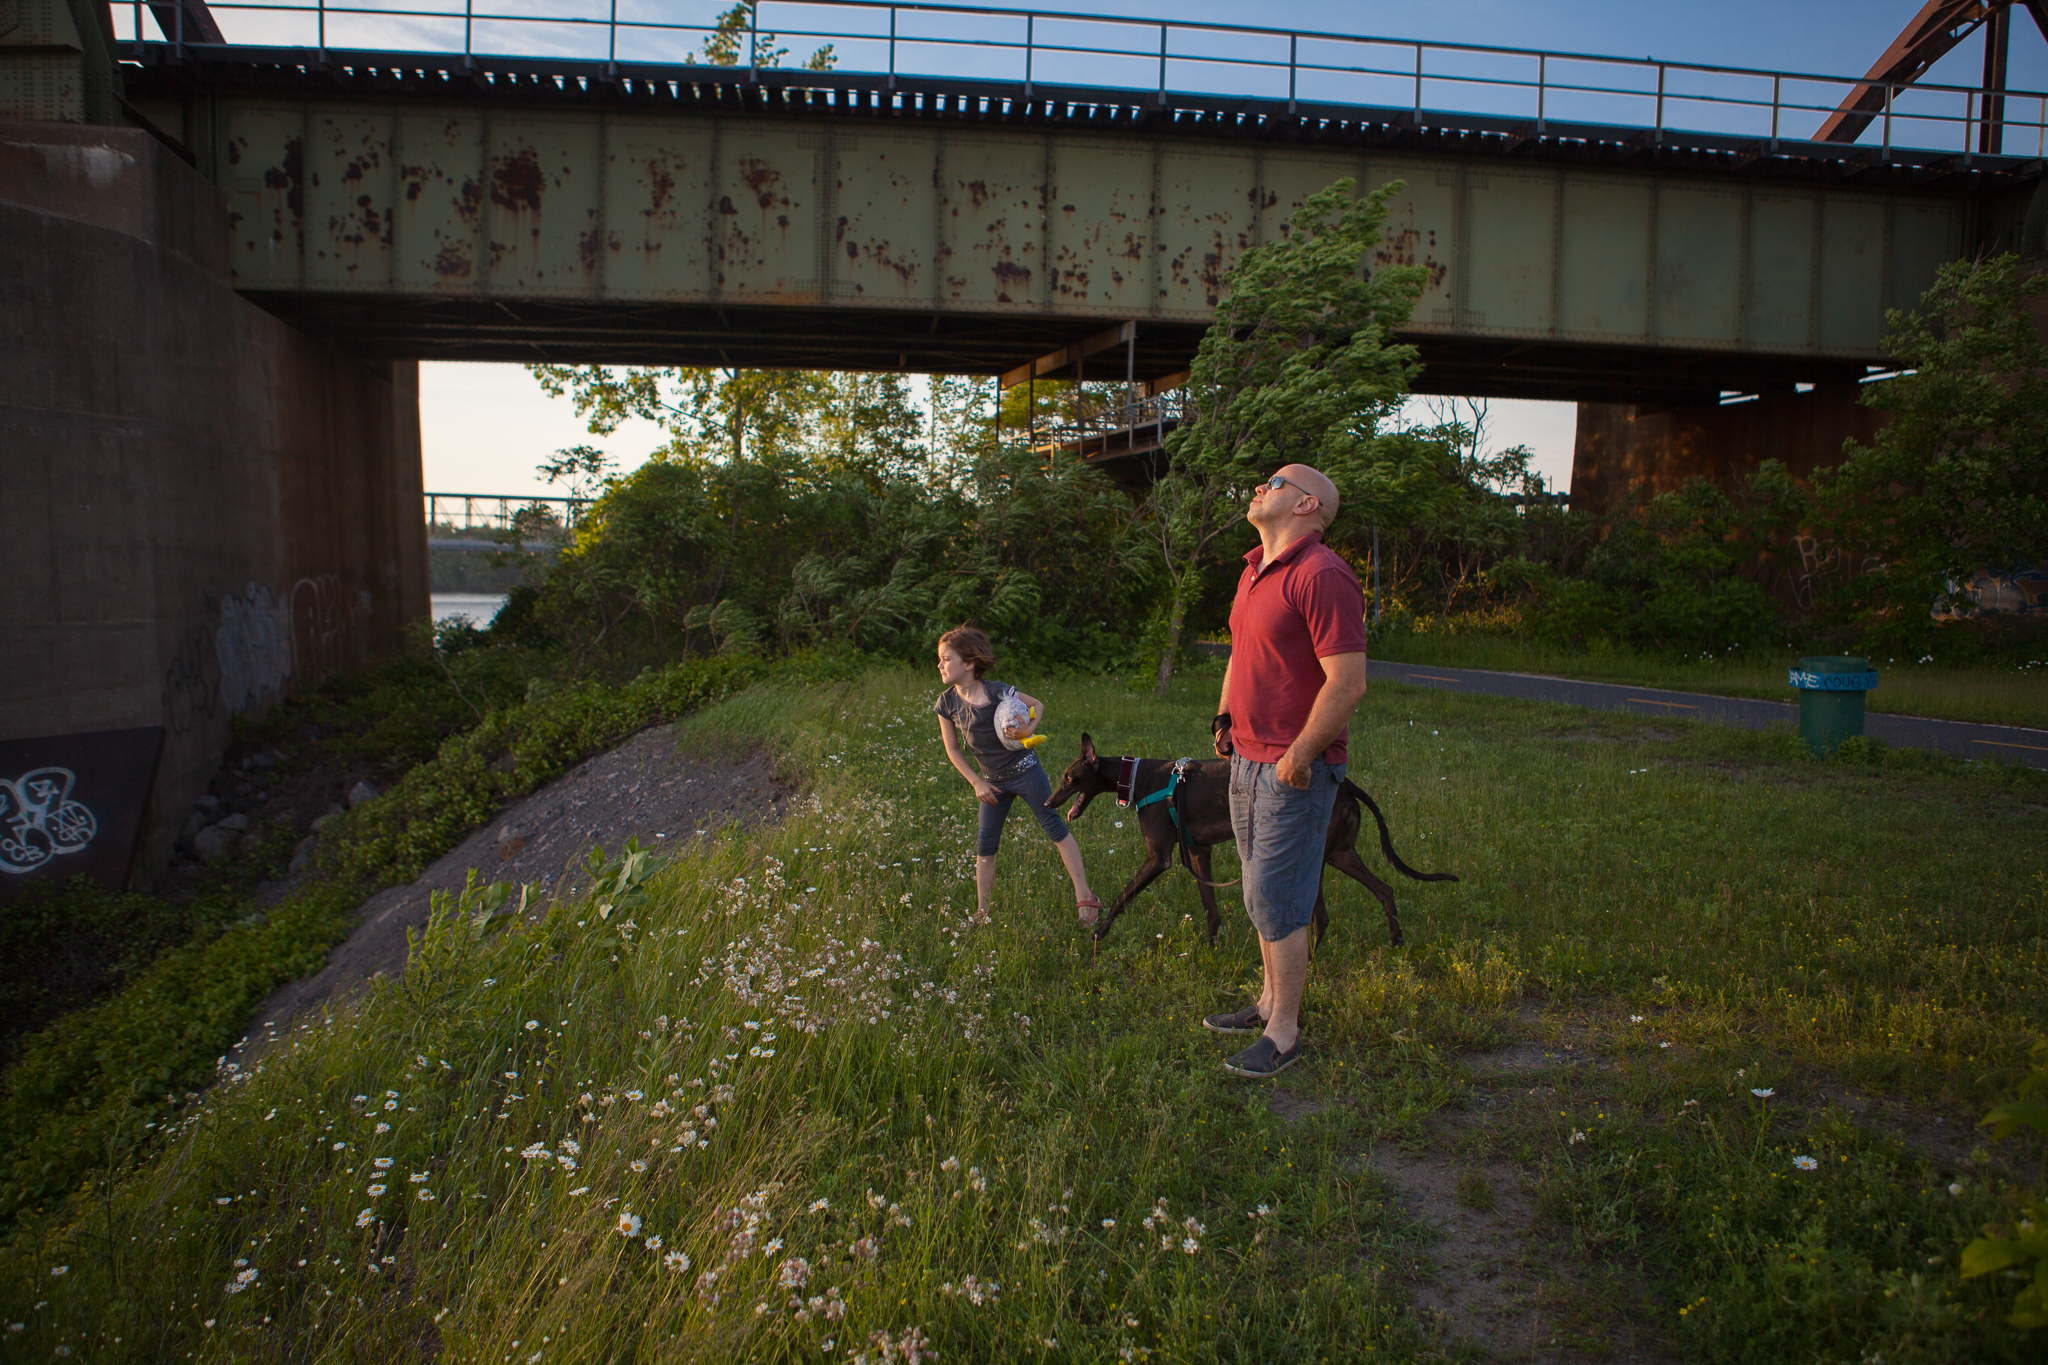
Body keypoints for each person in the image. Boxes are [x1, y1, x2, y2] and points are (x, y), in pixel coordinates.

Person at [1205, 464, 1368, 1079]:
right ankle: (1267, 1000)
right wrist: (1224, 718)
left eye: (1274, 481)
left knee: (1280, 897)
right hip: (1245, 758)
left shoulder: (1322, 573)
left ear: (1306, 504)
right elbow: (1242, 655)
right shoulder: (1253, 571)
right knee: (1257, 891)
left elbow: (1347, 683)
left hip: (1291, 768)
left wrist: (1297, 758)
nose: (1259, 486)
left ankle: (1284, 1032)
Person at [933, 625, 1102, 925]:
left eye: (946, 658)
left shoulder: (998, 692)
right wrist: (976, 782)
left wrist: (1026, 730)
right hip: (991, 782)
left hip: (1025, 771)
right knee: (985, 844)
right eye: (940, 659)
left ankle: (1085, 897)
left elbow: (1037, 704)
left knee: (1053, 827)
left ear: (969, 664)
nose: (940, 664)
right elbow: (953, 750)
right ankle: (982, 912)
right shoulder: (947, 703)